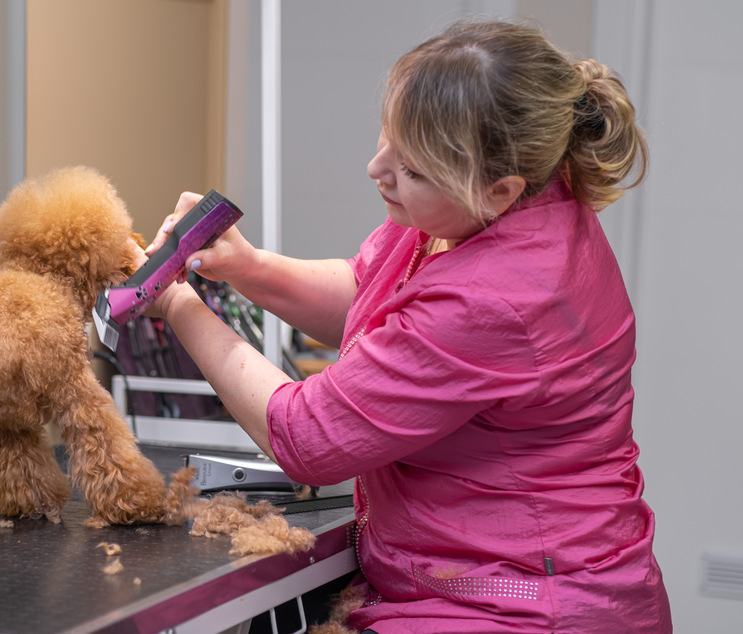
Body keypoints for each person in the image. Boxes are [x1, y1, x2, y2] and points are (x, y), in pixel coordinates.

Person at [143, 18, 672, 634]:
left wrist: (179, 305)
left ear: (498, 189)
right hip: (472, 582)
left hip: (521, 606)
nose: (377, 167)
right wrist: (249, 268)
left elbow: (307, 436)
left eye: (411, 168)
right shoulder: (482, 206)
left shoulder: (499, 293)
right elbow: (371, 295)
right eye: (388, 139)